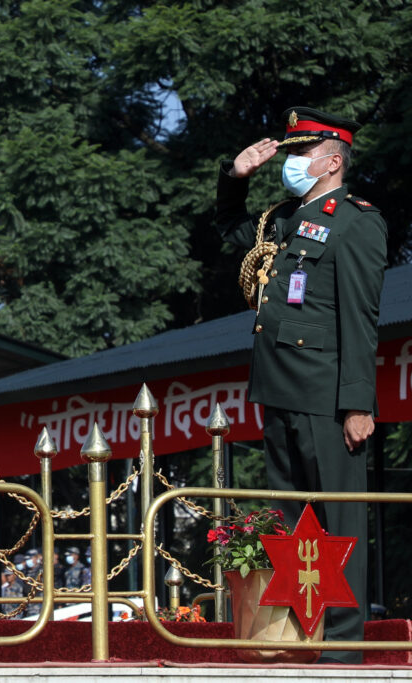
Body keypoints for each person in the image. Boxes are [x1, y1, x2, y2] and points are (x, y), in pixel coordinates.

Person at [216, 107, 388, 662]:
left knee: (336, 519)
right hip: (278, 385)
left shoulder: (356, 221)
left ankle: (343, 643)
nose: (289, 162)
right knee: (293, 520)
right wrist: (233, 180)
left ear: (332, 161)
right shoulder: (285, 217)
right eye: (288, 152)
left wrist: (359, 403)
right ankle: (298, 633)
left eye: (300, 153)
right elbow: (228, 237)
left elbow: (360, 318)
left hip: (326, 392)